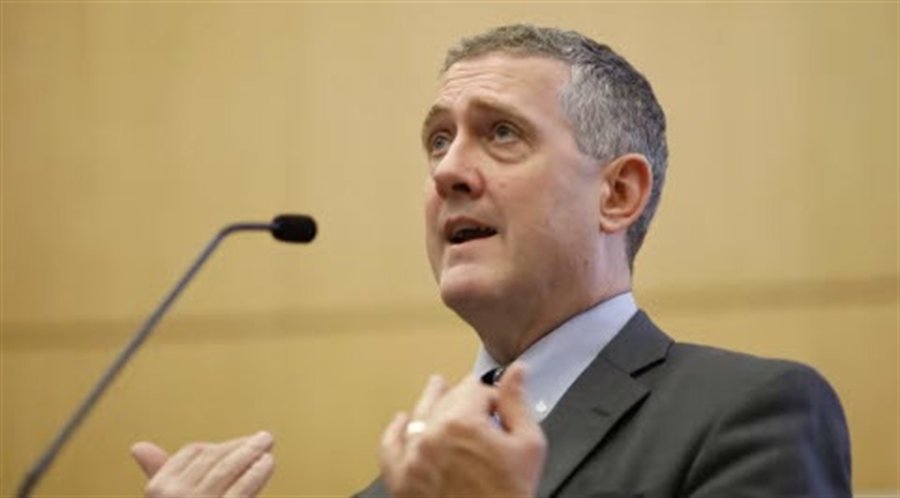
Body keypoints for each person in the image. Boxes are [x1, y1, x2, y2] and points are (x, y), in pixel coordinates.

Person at [131, 24, 852, 497]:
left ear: (617, 194)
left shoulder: (747, 414)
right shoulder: (395, 488)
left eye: (502, 133)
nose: (448, 170)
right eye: (438, 140)